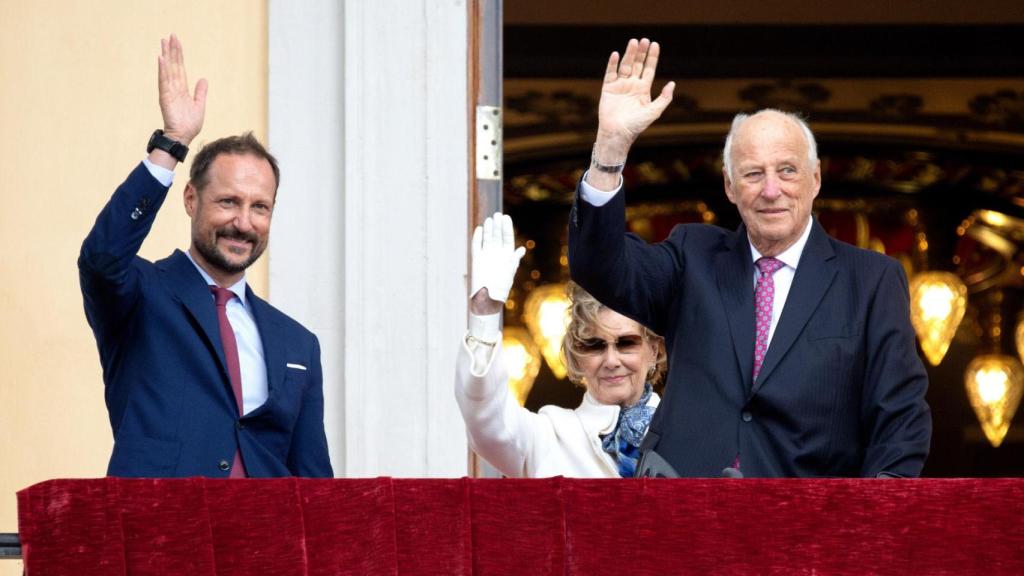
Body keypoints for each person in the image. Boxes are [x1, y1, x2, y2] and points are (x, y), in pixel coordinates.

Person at [568, 38, 931, 478]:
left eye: (787, 170)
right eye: (753, 174)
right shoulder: (692, 256)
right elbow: (598, 267)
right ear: (729, 186)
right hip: (685, 514)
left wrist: (865, 530)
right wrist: (610, 149)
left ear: (815, 179)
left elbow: (900, 421)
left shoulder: (870, 281)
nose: (771, 189)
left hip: (806, 525)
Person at [78, 35, 332, 478]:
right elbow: (102, 257)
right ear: (191, 199)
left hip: (264, 543)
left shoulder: (299, 344)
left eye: (260, 207)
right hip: (162, 537)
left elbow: (313, 482)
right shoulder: (140, 295)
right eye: (229, 202)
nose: (244, 222)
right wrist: (173, 143)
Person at [455, 212, 666, 478]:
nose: (611, 360)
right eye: (594, 346)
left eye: (626, 344)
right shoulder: (547, 437)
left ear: (655, 350)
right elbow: (485, 420)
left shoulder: (689, 431)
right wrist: (484, 314)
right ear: (576, 358)